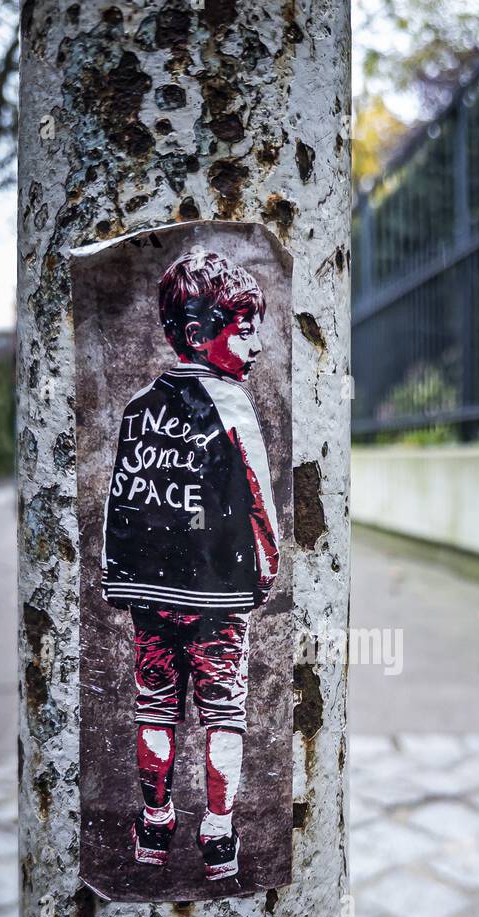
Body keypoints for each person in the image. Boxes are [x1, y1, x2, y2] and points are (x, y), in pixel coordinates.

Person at [101, 248, 279, 880]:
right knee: (223, 711)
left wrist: (117, 576)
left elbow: (123, 502)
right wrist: (267, 566)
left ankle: (153, 822)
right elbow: (257, 495)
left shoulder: (137, 409)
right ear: (202, 334)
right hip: (218, 595)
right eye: (246, 325)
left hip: (149, 594)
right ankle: (219, 831)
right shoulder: (231, 405)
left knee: (155, 706)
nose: (258, 341)